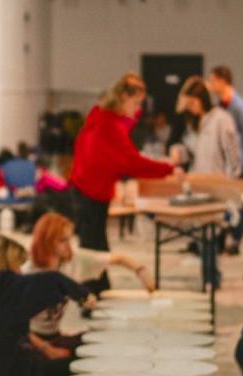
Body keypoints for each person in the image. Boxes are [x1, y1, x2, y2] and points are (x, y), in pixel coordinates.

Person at [69, 72, 183, 296]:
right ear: (123, 98)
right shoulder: (108, 126)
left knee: (95, 247)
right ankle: (92, 297)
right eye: (136, 102)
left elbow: (119, 153)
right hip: (88, 195)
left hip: (88, 191)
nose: (139, 109)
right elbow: (131, 162)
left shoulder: (102, 117)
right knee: (94, 250)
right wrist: (168, 169)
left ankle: (96, 294)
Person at [21, 213, 155, 375]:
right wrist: (47, 349)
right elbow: (14, 326)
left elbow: (118, 258)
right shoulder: (27, 273)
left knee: (101, 344)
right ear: (46, 242)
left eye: (69, 239)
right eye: (62, 240)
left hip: (55, 336)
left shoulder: (73, 261)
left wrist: (141, 270)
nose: (68, 246)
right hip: (31, 342)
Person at [0, 235, 90, 376]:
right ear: (9, 265)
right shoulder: (4, 285)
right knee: (81, 363)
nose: (20, 272)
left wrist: (46, 349)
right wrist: (85, 298)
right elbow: (55, 279)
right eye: (18, 266)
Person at [179, 76, 242, 178]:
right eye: (188, 104)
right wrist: (179, 151)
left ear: (202, 99)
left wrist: (228, 183)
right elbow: (191, 153)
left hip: (217, 182)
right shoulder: (192, 122)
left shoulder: (222, 118)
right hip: (196, 181)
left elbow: (233, 158)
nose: (190, 107)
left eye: (192, 103)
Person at [207, 66, 243, 174]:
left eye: (213, 81)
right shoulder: (221, 105)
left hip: (240, 161)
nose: (211, 85)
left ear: (222, 81)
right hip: (228, 161)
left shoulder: (239, 106)